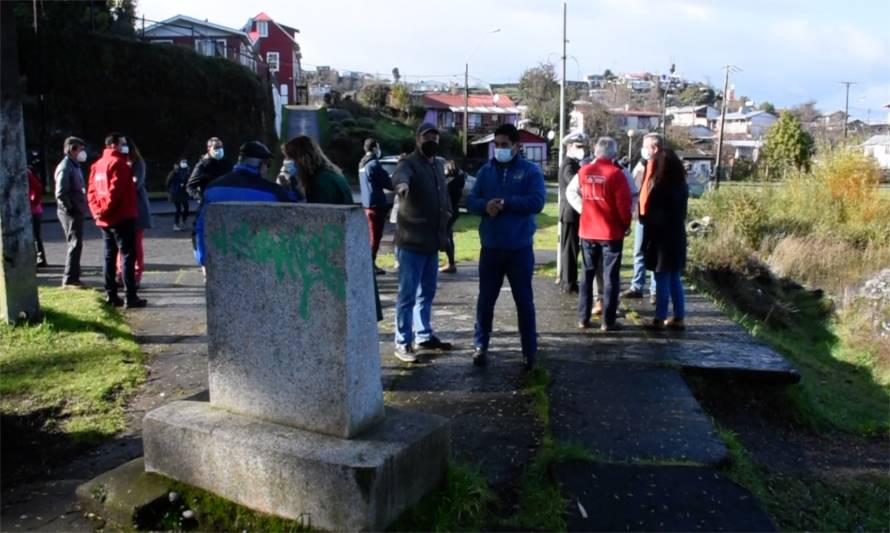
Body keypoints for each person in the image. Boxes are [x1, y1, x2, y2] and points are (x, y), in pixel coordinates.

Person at [466, 124, 546, 370]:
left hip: (519, 248)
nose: (499, 149)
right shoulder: (485, 171)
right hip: (490, 247)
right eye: (496, 145)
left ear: (516, 146)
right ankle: (481, 346)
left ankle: (529, 351)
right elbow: (470, 201)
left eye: (504, 145)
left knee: (524, 301)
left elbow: (537, 201)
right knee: (485, 301)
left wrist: (507, 203)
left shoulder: (530, 171)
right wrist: (483, 206)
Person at [390, 122, 453, 363]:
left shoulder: (438, 165)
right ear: (417, 139)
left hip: (432, 242)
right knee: (406, 295)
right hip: (411, 242)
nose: (431, 142)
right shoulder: (408, 163)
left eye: (435, 138)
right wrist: (401, 185)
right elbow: (400, 176)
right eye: (427, 137)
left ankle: (423, 334)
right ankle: (402, 341)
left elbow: (442, 195)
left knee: (427, 292)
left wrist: (447, 214)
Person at [566, 137, 632, 331]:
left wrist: (583, 210)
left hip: (587, 231)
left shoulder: (584, 171)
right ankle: (607, 321)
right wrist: (626, 225)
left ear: (595, 151)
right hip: (610, 233)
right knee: (611, 277)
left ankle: (583, 318)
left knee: (587, 275)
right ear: (613, 153)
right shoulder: (616, 174)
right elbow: (624, 205)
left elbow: (573, 193)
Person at [195, 141, 295, 267]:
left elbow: (200, 225)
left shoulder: (213, 187)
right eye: (267, 164)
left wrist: (203, 259)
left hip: (222, 261)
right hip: (262, 262)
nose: (267, 169)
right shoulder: (273, 192)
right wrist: (289, 188)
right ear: (261, 164)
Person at [88, 133, 146, 308]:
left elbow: (91, 192)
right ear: (113, 145)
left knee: (109, 256)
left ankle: (111, 295)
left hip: (104, 219)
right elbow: (115, 193)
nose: (124, 146)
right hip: (122, 216)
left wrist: (97, 211)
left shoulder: (97, 165)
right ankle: (130, 295)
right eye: (122, 143)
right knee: (128, 255)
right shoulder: (120, 165)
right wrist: (105, 209)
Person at [642, 147, 689, 331]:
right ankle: (679, 316)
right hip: (677, 236)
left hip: (661, 239)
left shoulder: (660, 188)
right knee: (675, 278)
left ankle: (659, 318)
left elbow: (651, 216)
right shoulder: (682, 186)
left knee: (661, 277)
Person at [622, 133, 661, 304]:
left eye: (645, 147)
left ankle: (655, 290)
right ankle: (637, 286)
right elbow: (633, 180)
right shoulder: (644, 164)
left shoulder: (663, 168)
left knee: (655, 254)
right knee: (638, 252)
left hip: (657, 219)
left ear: (655, 148)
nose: (642, 150)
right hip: (641, 216)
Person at [116, 137, 152, 288]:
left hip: (137, 208)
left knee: (136, 244)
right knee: (121, 245)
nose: (122, 148)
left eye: (125, 145)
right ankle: (120, 273)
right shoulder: (117, 162)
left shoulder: (137, 162)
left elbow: (136, 183)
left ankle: (136, 275)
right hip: (121, 208)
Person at [54, 136, 89, 288]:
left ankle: (74, 277)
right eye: (80, 149)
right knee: (74, 244)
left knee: (76, 244)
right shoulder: (66, 167)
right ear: (72, 149)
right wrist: (70, 208)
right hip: (70, 212)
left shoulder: (74, 166)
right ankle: (69, 279)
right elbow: (61, 193)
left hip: (75, 209)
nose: (83, 153)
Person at [187, 137, 232, 250]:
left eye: (221, 147)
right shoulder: (202, 165)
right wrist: (201, 198)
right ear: (209, 149)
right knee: (207, 233)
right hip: (209, 205)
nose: (219, 150)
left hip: (227, 204)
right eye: (216, 147)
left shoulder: (227, 163)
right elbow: (190, 186)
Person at [282, 135, 352, 205]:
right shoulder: (328, 174)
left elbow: (317, 212)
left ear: (301, 159)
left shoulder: (320, 182)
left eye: (290, 158)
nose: (287, 163)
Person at [358, 137, 394, 274]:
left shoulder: (362, 163)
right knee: (375, 236)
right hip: (376, 205)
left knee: (370, 235)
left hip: (366, 204)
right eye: (377, 147)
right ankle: (370, 265)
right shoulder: (373, 164)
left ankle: (369, 263)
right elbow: (388, 183)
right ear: (374, 148)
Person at [557, 132, 588, 293]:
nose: (582, 149)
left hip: (573, 212)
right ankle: (569, 283)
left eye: (583, 146)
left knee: (570, 248)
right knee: (570, 249)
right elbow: (574, 183)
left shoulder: (575, 163)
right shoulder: (569, 165)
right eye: (578, 146)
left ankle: (567, 280)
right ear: (569, 146)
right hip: (570, 212)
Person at [441, 160, 466, 274]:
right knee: (449, 235)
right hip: (454, 211)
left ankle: (451, 263)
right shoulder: (459, 180)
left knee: (445, 235)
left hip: (448, 211)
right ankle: (451, 262)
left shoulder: (451, 183)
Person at [27, 163, 47, 267]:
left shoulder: (26, 173)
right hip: (33, 209)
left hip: (33, 210)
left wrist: (33, 201)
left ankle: (40, 259)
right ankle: (40, 258)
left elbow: (38, 188)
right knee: (36, 236)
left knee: (35, 235)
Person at [166, 159, 191, 231]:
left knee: (185, 208)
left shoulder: (187, 171)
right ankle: (177, 224)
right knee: (179, 209)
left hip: (182, 193)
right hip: (176, 193)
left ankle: (183, 222)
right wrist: (170, 191)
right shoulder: (174, 172)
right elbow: (168, 182)